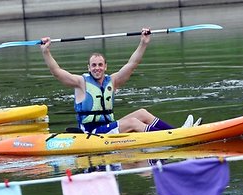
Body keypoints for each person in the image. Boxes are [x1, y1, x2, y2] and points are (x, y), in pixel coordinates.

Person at [40, 28, 201, 134]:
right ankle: (171, 136)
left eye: (100, 65)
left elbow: (132, 64)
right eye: (94, 65)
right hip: (92, 133)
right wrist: (46, 52)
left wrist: (143, 43)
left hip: (109, 126)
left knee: (142, 113)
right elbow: (57, 72)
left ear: (105, 66)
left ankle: (179, 132)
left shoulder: (113, 80)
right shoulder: (80, 82)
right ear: (88, 67)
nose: (97, 68)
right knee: (132, 122)